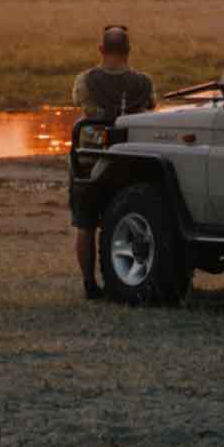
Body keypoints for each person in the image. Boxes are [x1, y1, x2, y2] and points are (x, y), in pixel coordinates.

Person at [67, 24, 158, 299]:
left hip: (90, 160)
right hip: (130, 160)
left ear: (101, 50)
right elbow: (151, 106)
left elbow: (77, 102)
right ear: (128, 52)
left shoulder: (85, 80)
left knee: (85, 225)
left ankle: (89, 284)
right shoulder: (144, 82)